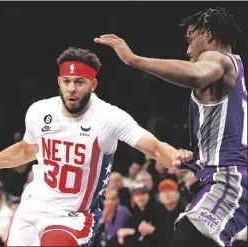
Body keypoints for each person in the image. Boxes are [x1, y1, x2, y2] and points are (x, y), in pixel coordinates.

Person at [0, 47, 193, 246]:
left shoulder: (109, 118)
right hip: (34, 203)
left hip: (73, 215)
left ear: (93, 84)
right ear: (59, 82)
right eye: (66, 81)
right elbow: (25, 150)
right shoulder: (40, 111)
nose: (71, 88)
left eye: (79, 82)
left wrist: (174, 154)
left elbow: (153, 147)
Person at [94, 7, 247, 247]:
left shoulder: (217, 59)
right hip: (221, 177)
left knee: (190, 236)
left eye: (190, 38)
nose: (188, 50)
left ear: (207, 35)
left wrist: (134, 60)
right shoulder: (238, 76)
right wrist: (196, 159)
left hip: (226, 179)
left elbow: (197, 75)